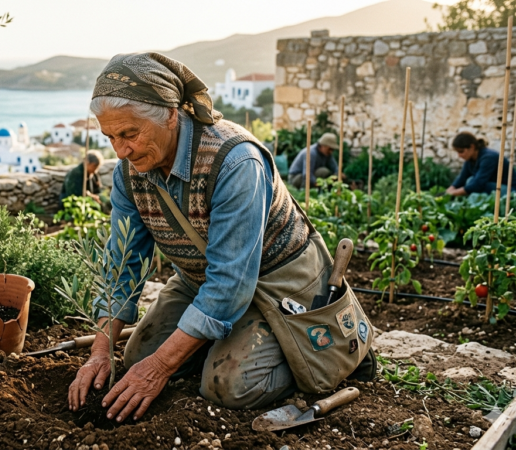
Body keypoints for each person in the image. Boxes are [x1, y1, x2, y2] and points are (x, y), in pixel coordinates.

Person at [67, 52, 370, 423]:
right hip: (203, 279)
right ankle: (219, 337)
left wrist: (160, 368)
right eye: (110, 136)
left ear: (172, 115)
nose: (121, 150)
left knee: (229, 387)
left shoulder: (235, 161)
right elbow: (122, 265)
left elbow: (231, 283)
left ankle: (321, 353)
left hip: (278, 283)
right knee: (136, 356)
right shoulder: (129, 175)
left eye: (130, 133)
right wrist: (100, 350)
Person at [446, 132, 514, 196]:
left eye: (461, 151)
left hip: (510, 190)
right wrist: (449, 191)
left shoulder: (488, 157)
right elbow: (461, 179)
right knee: (470, 181)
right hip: (493, 187)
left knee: (472, 182)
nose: (459, 155)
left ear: (472, 147)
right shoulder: (470, 159)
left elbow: (478, 184)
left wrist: (453, 193)